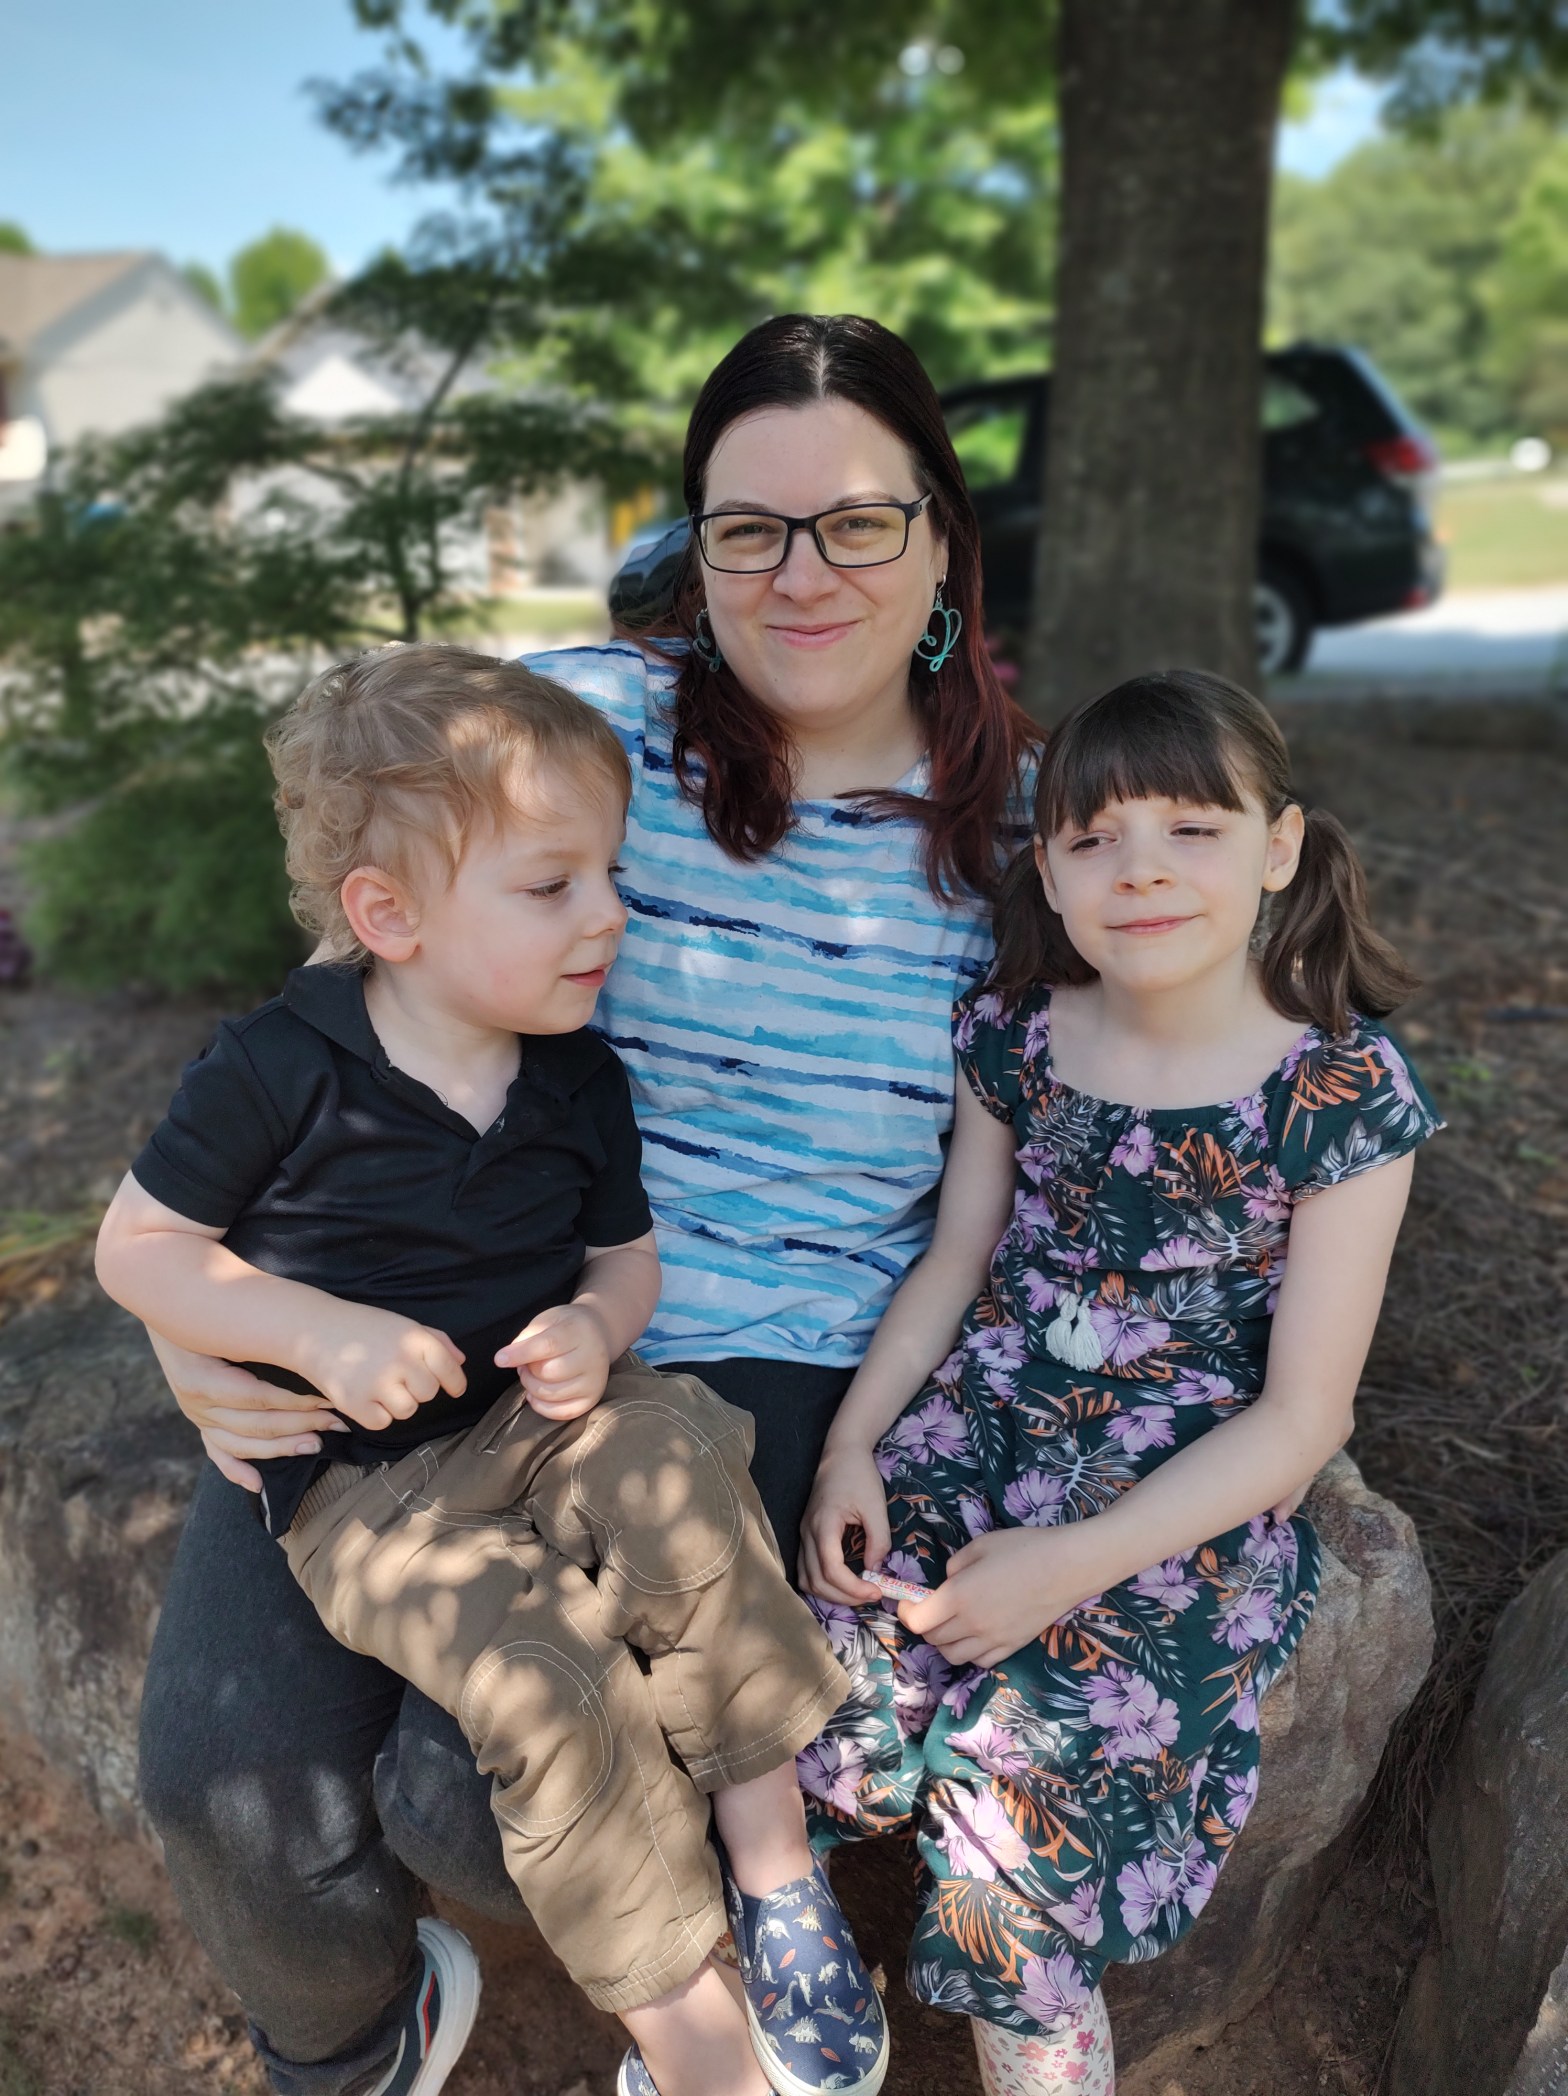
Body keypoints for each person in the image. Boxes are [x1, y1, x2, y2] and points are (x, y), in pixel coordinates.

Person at [130, 312, 1037, 2096]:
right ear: (693, 543)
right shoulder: (576, 727)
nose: (800, 574)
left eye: (859, 521)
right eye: (747, 528)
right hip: (439, 1312)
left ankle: (720, 1978)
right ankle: (362, 2042)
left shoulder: (1014, 835)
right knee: (226, 1790)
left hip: (757, 1343)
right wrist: (203, 1323)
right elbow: (337, 1015)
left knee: (463, 1801)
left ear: (942, 537)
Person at [97, 646, 883, 2096]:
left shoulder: (576, 1073)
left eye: (609, 874)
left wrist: (598, 1325)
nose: (610, 914)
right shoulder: (278, 1069)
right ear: (387, 917)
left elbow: (624, 1259)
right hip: (370, 1495)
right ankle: (687, 2032)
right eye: (552, 887)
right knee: (540, 1688)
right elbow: (138, 1247)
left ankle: (779, 1875)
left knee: (681, 1469)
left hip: (548, 1416)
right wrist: (309, 1330)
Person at [796, 669, 1444, 2096]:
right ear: (1049, 871)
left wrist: (1070, 1566)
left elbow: (1305, 1415)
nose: (1140, 870)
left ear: (1278, 849)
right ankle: (793, 1988)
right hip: (976, 1430)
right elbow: (956, 1260)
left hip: (1173, 1495)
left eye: (1192, 830)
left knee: (1035, 1792)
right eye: (1094, 840)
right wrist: (854, 1446)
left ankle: (1037, 2050)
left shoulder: (1337, 1094)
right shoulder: (1019, 1034)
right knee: (812, 1699)